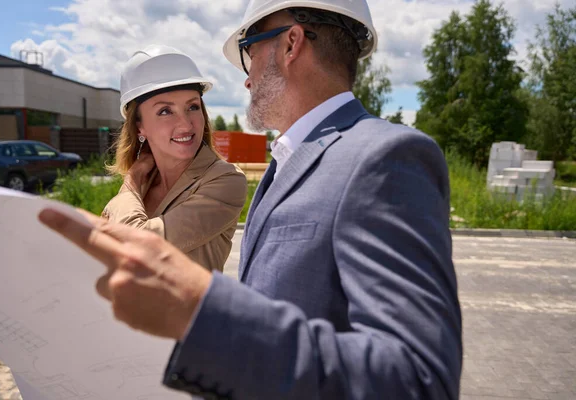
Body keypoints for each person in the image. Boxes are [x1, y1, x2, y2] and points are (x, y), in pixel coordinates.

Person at [39, 0, 463, 398]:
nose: (246, 76)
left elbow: (418, 380)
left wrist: (201, 312)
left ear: (291, 44)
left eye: (248, 51)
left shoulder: (382, 157)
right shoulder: (285, 165)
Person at [101, 45, 247, 272]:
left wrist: (131, 180)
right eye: (165, 111)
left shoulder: (225, 180)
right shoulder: (146, 183)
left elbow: (138, 246)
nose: (186, 124)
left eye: (192, 107)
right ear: (139, 126)